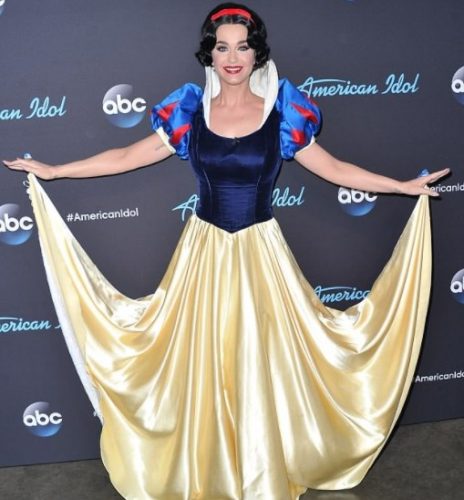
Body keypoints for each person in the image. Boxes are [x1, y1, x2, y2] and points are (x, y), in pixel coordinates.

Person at [3, 3, 449, 500]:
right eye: (222, 47)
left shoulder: (282, 112)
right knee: (202, 359)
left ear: (257, 54)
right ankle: (208, 461)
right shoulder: (190, 110)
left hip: (260, 253)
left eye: (243, 46)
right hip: (204, 253)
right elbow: (128, 155)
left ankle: (261, 466)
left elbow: (336, 169)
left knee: (262, 359)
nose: (233, 57)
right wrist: (56, 171)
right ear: (209, 54)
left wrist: (402, 187)